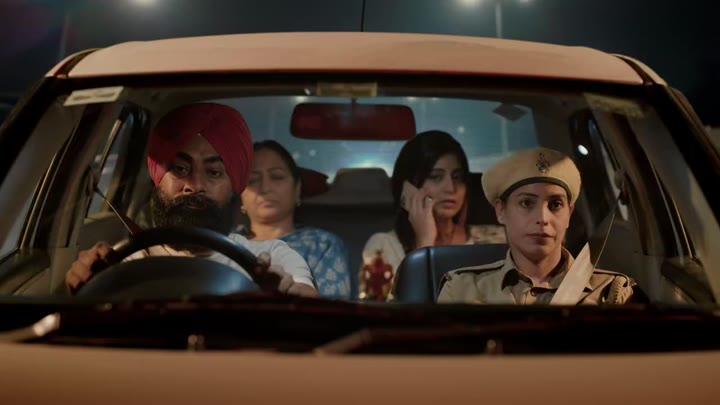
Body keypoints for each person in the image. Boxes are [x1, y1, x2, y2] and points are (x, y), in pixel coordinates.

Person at [65, 102, 319, 298]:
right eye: (180, 169)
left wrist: (291, 299)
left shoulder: (273, 259)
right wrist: (85, 287)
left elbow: (306, 301)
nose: (195, 186)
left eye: (214, 172)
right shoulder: (123, 265)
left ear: (235, 187)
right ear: (158, 180)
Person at [437, 147, 636, 305]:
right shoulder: (462, 289)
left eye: (555, 205)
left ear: (569, 214)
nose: (542, 218)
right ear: (501, 211)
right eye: (526, 203)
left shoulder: (609, 292)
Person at [359, 130, 505, 300]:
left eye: (457, 177)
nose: (451, 188)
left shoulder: (499, 239)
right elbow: (386, 313)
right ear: (408, 188)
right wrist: (424, 243)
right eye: (436, 177)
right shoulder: (383, 247)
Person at [237, 140, 351, 299]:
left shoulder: (322, 245)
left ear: (297, 190)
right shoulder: (224, 241)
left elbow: (330, 308)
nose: (265, 188)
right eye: (252, 180)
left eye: (277, 177)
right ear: (241, 197)